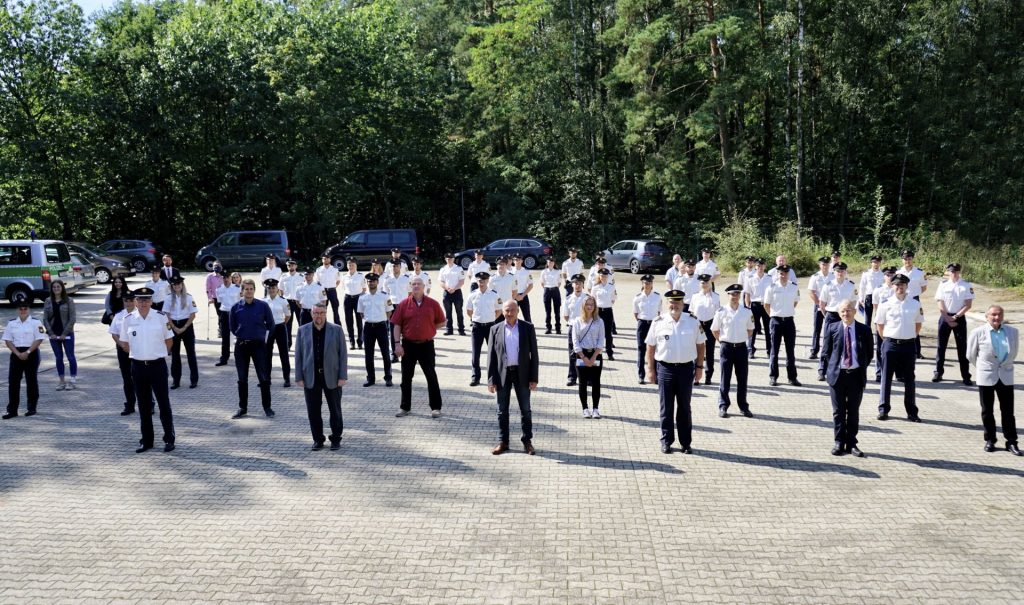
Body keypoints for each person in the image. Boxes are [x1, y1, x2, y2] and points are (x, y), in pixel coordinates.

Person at [646, 289, 706, 454]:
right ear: (667, 303)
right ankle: (666, 441)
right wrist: (650, 370)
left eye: (678, 302)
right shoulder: (658, 322)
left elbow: (701, 345)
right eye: (672, 302)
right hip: (665, 369)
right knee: (666, 408)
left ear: (683, 303)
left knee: (685, 408)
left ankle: (685, 442)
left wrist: (700, 368)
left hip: (686, 369)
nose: (675, 305)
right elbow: (650, 347)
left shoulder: (693, 321)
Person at [118, 287, 175, 453]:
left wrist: (156, 353)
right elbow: (125, 344)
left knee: (164, 404)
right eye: (140, 300)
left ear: (151, 301)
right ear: (135, 301)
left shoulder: (160, 317)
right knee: (143, 406)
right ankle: (147, 440)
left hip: (157, 366)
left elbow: (169, 341)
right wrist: (140, 355)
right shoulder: (128, 319)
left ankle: (169, 439)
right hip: (138, 367)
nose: (143, 303)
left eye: (146, 300)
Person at [821, 299, 873, 457]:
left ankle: (851, 443)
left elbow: (869, 353)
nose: (846, 313)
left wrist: (858, 367)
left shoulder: (864, 330)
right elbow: (826, 352)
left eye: (849, 310)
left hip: (856, 376)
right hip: (837, 377)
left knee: (853, 411)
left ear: (855, 311)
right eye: (843, 310)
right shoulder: (832, 328)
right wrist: (832, 369)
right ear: (839, 313)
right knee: (838, 412)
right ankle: (838, 441)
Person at [966, 305, 1020, 455]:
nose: (997, 318)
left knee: (1008, 411)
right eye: (993, 315)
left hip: (1006, 375)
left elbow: (1014, 352)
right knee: (987, 410)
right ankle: (990, 439)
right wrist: (983, 368)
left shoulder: (1013, 332)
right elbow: (970, 355)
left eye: (999, 315)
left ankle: (1011, 442)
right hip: (986, 376)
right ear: (987, 316)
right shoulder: (978, 332)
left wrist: (1004, 366)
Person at [488, 300, 539, 455]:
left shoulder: (527, 328)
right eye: (506, 310)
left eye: (512, 310)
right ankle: (503, 441)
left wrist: (534, 378)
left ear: (518, 311)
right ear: (502, 311)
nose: (509, 313)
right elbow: (491, 357)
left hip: (522, 374)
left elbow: (534, 355)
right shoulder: (495, 329)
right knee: (502, 410)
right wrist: (491, 380)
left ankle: (527, 441)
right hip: (503, 374)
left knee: (525, 410)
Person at [295, 302, 348, 450]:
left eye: (321, 313)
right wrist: (299, 376)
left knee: (335, 410)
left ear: (326, 313)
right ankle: (318, 439)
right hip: (311, 377)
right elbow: (298, 355)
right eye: (316, 313)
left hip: (332, 376)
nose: (318, 316)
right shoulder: (302, 330)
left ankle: (336, 439)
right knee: (313, 411)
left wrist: (342, 376)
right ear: (312, 314)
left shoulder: (336, 330)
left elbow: (343, 354)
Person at [391, 276, 446, 417]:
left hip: (426, 345)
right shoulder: (403, 304)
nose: (416, 286)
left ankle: (436, 407)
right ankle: (405, 407)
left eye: (418, 284)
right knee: (406, 378)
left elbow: (442, 321)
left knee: (431, 376)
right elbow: (396, 325)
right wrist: (397, 344)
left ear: (424, 286)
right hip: (408, 345)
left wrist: (429, 328)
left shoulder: (433, 304)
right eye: (413, 284)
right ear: (410, 286)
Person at [875, 274, 922, 422]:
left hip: (908, 344)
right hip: (891, 344)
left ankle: (911, 411)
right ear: (892, 286)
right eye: (897, 285)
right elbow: (879, 325)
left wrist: (908, 336)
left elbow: (918, 324)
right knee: (886, 377)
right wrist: (889, 339)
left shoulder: (915, 304)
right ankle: (883, 409)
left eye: (902, 285)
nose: (899, 287)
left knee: (909, 379)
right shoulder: (885, 303)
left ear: (907, 286)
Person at [229, 279, 277, 419]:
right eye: (246, 289)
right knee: (242, 378)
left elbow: (271, 324)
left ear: (254, 290)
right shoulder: (235, 307)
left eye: (251, 289)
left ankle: (267, 407)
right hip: (242, 346)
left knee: (263, 377)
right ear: (242, 291)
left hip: (259, 346)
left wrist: (263, 339)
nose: (249, 291)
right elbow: (232, 327)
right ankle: (242, 408)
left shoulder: (263, 306)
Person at [712, 284, 754, 418]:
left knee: (742, 379)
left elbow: (750, 330)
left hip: (741, 348)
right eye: (732, 294)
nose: (735, 296)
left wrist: (739, 339)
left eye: (737, 294)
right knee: (725, 378)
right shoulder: (721, 311)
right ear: (728, 295)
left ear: (740, 295)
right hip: (727, 348)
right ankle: (723, 405)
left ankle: (743, 406)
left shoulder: (746, 312)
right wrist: (723, 341)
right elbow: (715, 330)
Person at [3, 301, 45, 419]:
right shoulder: (11, 323)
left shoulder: (36, 322)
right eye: (20, 308)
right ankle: (12, 410)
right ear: (17, 310)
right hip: (16, 354)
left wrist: (27, 352)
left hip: (31, 353)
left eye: (25, 308)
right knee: (13, 382)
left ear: (29, 309)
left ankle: (31, 408)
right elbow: (7, 340)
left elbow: (40, 338)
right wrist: (17, 353)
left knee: (31, 381)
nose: (23, 310)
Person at [933, 263, 974, 385]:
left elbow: (968, 304)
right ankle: (938, 372)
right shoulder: (943, 284)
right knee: (941, 347)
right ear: (948, 272)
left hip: (959, 318)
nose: (954, 274)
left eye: (956, 271)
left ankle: (966, 375)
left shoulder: (966, 285)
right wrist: (947, 317)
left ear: (959, 272)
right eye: (952, 271)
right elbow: (940, 301)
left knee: (962, 348)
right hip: (945, 317)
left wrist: (955, 317)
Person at [817, 262, 857, 380]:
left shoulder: (851, 285)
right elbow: (822, 304)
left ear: (845, 272)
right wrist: (828, 316)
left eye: (842, 271)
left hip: (846, 316)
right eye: (838, 271)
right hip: (832, 315)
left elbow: (854, 302)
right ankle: (822, 370)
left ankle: (843, 367)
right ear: (833, 272)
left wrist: (850, 314)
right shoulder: (828, 285)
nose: (840, 273)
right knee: (827, 344)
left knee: (846, 341)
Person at [763, 265, 801, 386]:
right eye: (781, 273)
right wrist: (774, 315)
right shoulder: (771, 287)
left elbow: (795, 301)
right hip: (776, 321)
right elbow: (766, 305)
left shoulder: (794, 287)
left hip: (789, 321)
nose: (783, 275)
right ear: (778, 274)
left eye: (785, 273)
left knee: (790, 351)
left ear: (789, 274)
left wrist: (787, 311)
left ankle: (792, 378)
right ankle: (773, 376)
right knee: (774, 351)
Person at [572, 296, 606, 418]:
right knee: (582, 382)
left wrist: (593, 357)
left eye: (592, 304)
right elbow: (575, 341)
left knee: (596, 382)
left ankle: (596, 409)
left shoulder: (599, 321)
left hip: (596, 355)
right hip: (581, 355)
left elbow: (601, 341)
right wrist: (583, 357)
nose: (590, 306)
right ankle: (585, 408)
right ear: (583, 306)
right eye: (587, 304)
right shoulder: (577, 321)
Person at [357, 273, 394, 387]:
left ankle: (388, 378)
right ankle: (371, 378)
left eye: (373, 281)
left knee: (385, 353)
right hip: (368, 327)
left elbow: (389, 312)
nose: (371, 283)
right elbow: (361, 313)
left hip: (381, 327)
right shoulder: (362, 297)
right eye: (369, 281)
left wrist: (382, 321)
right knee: (368, 354)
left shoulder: (384, 295)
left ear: (378, 282)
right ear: (366, 283)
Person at [466, 272, 502, 386]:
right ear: (476, 281)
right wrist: (477, 319)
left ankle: (494, 377)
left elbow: (498, 311)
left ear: (488, 281)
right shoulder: (472, 295)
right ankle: (475, 377)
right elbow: (469, 311)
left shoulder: (494, 294)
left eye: (483, 281)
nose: (481, 283)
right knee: (475, 354)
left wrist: (490, 319)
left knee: (493, 353)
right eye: (479, 281)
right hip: (477, 327)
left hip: (490, 327)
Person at [43, 279, 77, 391]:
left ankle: (72, 380)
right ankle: (61, 381)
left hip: (67, 334)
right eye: (54, 287)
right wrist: (51, 333)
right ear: (51, 289)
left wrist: (64, 333)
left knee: (70, 357)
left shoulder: (69, 301)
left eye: (58, 287)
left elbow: (72, 319)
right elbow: (45, 319)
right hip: (54, 335)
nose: (56, 289)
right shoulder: (48, 301)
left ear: (62, 288)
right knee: (58, 358)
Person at [165, 276, 199, 390]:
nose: (177, 286)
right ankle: (176, 380)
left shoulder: (189, 297)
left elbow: (193, 314)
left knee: (191, 354)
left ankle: (194, 380)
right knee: (175, 355)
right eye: (174, 284)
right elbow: (166, 315)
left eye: (179, 284)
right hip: (174, 325)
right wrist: (174, 327)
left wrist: (184, 327)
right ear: (172, 286)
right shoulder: (168, 298)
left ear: (182, 285)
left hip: (187, 326)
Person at [108, 290, 137, 415]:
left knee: (142, 379)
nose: (129, 303)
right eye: (126, 300)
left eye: (131, 300)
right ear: (123, 301)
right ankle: (129, 405)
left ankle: (149, 404)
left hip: (138, 349)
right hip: (123, 349)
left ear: (135, 300)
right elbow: (114, 332)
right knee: (127, 379)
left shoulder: (140, 313)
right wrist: (122, 345)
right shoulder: (119, 315)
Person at [896, 250, 928, 359]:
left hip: (914, 299)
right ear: (902, 260)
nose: (907, 261)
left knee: (916, 323)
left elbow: (923, 287)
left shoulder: (919, 272)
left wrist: (914, 295)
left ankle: (917, 352)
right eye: (905, 259)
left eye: (909, 259)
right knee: (902, 322)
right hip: (901, 299)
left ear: (912, 259)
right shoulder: (898, 272)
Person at [689, 274, 720, 385]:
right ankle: (695, 376)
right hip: (698, 325)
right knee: (696, 351)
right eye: (702, 282)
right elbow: (692, 313)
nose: (704, 284)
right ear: (699, 283)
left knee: (710, 352)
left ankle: (708, 376)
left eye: (706, 282)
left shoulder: (716, 297)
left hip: (710, 325)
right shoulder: (695, 296)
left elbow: (718, 314)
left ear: (710, 283)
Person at [633, 274, 662, 384]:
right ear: (642, 284)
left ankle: (655, 375)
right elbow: (635, 313)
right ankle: (641, 375)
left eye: (649, 283)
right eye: (645, 283)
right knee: (641, 350)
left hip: (654, 324)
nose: (647, 284)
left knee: (655, 350)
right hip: (642, 324)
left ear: (652, 284)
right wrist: (643, 321)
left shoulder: (657, 296)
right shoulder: (637, 297)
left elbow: (659, 312)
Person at [561, 274, 589, 386]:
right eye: (576, 283)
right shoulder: (568, 299)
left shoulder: (587, 298)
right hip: (573, 328)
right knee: (573, 354)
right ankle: (572, 377)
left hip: (585, 327)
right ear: (572, 284)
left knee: (585, 352)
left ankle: (586, 378)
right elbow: (566, 316)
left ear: (583, 285)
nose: (577, 285)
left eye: (580, 283)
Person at [263, 278, 292, 387]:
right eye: (269, 288)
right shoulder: (263, 302)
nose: (271, 290)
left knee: (283, 353)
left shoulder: (283, 301)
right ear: (267, 289)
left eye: (273, 287)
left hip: (280, 327)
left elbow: (288, 315)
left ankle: (287, 378)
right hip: (268, 329)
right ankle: (266, 378)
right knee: (267, 354)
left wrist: (281, 323)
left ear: (277, 288)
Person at [871, 267, 897, 382]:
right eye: (888, 275)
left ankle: (896, 372)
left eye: (892, 275)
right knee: (880, 348)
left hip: (895, 323)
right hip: (882, 323)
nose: (890, 277)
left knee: (895, 349)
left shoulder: (899, 289)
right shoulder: (878, 289)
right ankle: (879, 372)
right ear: (884, 276)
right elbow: (876, 306)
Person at [382, 261, 411, 363]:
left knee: (406, 330)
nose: (395, 268)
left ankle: (406, 353)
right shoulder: (387, 279)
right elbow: (385, 295)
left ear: (400, 267)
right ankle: (394, 354)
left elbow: (410, 293)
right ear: (391, 267)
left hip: (403, 306)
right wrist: (388, 307)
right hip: (392, 306)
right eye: (393, 266)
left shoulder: (406, 279)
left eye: (397, 266)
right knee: (393, 330)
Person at [743, 258, 772, 358]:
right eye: (758, 266)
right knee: (753, 329)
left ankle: (770, 350)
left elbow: (773, 293)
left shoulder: (769, 278)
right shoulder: (750, 278)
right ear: (755, 267)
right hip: (755, 305)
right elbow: (747, 294)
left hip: (766, 305)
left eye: (762, 265)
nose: (760, 267)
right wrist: (747, 307)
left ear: (765, 266)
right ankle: (751, 349)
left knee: (768, 329)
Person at [807, 256, 832, 359]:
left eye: (826, 264)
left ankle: (828, 351)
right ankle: (814, 350)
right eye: (823, 264)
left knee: (830, 330)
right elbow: (811, 292)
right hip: (818, 306)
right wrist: (819, 303)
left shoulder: (833, 276)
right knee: (817, 329)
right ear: (820, 265)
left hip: (831, 307)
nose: (825, 266)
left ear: (829, 265)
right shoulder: (815, 277)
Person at [214, 271, 241, 366]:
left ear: (231, 278)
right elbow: (219, 302)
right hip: (224, 314)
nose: (226, 279)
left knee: (239, 336)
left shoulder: (237, 288)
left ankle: (240, 357)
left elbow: (241, 301)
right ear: (222, 278)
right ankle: (224, 358)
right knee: (225, 337)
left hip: (235, 314)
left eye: (228, 277)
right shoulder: (219, 289)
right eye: (224, 277)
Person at [590, 268, 617, 360]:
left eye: (605, 275)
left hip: (608, 311)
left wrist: (606, 305)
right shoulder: (595, 287)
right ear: (599, 276)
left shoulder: (611, 286)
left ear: (608, 276)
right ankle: (596, 353)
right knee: (596, 333)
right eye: (602, 275)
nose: (603, 277)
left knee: (608, 333)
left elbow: (613, 299)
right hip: (598, 311)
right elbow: (592, 300)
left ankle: (609, 353)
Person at [341, 258, 367, 350]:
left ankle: (360, 341)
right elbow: (343, 287)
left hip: (358, 298)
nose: (350, 266)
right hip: (348, 299)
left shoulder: (360, 276)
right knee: (349, 321)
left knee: (359, 321)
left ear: (356, 265)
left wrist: (362, 301)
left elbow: (364, 289)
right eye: (349, 265)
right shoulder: (344, 276)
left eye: (352, 264)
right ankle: (351, 342)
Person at [438, 253, 466, 335]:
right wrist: (447, 288)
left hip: (457, 292)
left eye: (451, 258)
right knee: (448, 313)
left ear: (454, 259)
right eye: (447, 258)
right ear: (445, 259)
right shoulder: (443, 269)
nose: (449, 260)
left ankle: (461, 330)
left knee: (459, 312)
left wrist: (454, 288)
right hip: (447, 292)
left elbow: (462, 281)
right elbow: (440, 281)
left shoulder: (459, 268)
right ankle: (449, 330)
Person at [280, 259, 304, 346]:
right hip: (288, 302)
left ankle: (302, 343)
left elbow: (304, 289)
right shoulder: (283, 277)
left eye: (293, 265)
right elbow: (281, 290)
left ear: (296, 266)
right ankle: (288, 344)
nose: (291, 267)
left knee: (301, 323)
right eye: (289, 265)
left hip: (298, 302)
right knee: (288, 324)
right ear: (287, 266)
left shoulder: (301, 277)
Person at [857, 255, 884, 328]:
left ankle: (878, 335)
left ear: (880, 263)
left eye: (878, 262)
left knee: (879, 318)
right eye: (874, 262)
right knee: (867, 318)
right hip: (869, 296)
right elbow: (862, 286)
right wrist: (860, 298)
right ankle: (867, 336)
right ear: (871, 263)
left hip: (880, 297)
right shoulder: (866, 273)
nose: (876, 263)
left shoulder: (883, 273)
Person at [315, 254, 342, 325]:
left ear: (330, 259)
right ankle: (324, 325)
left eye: (327, 258)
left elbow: (338, 281)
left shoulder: (335, 269)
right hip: (323, 292)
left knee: (335, 309)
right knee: (323, 310)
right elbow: (317, 282)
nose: (325, 260)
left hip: (332, 291)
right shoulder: (319, 270)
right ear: (322, 260)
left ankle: (337, 326)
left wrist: (333, 287)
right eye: (324, 259)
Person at [539, 256, 562, 334]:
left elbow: (559, 282)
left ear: (554, 263)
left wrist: (554, 288)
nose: (550, 263)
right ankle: (548, 328)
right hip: (547, 290)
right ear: (547, 263)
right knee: (548, 311)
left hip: (555, 290)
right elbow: (542, 282)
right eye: (549, 262)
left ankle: (558, 328)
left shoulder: (558, 271)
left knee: (557, 311)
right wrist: (547, 289)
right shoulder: (543, 272)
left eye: (552, 262)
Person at [509, 255, 534, 323]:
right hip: (513, 296)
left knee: (527, 316)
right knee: (512, 315)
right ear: (513, 261)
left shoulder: (526, 271)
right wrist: (515, 295)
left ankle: (529, 332)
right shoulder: (509, 272)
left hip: (523, 296)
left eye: (519, 260)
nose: (517, 261)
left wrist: (522, 295)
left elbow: (531, 285)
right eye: (516, 260)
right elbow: (507, 286)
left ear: (522, 261)